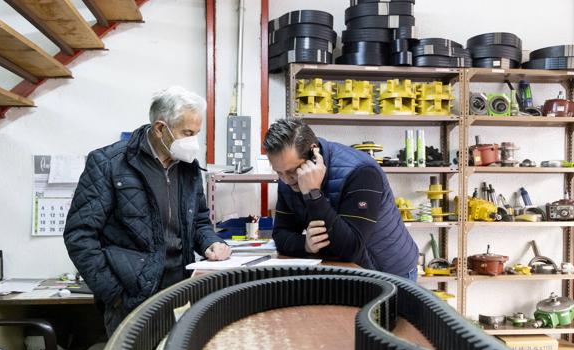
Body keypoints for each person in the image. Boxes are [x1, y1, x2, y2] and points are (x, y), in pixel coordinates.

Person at [64, 86, 230, 335]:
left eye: (196, 133)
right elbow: (80, 236)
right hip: (131, 301)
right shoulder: (109, 164)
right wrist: (115, 295)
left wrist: (210, 243)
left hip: (180, 293)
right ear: (161, 129)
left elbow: (199, 222)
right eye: (187, 133)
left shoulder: (188, 168)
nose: (193, 142)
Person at [263, 118, 418, 280]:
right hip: (348, 272)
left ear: (314, 153)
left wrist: (313, 193)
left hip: (392, 272)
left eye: (293, 171)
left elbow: (352, 248)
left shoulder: (361, 172)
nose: (287, 180)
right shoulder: (288, 180)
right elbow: (280, 234)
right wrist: (306, 245)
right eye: (279, 172)